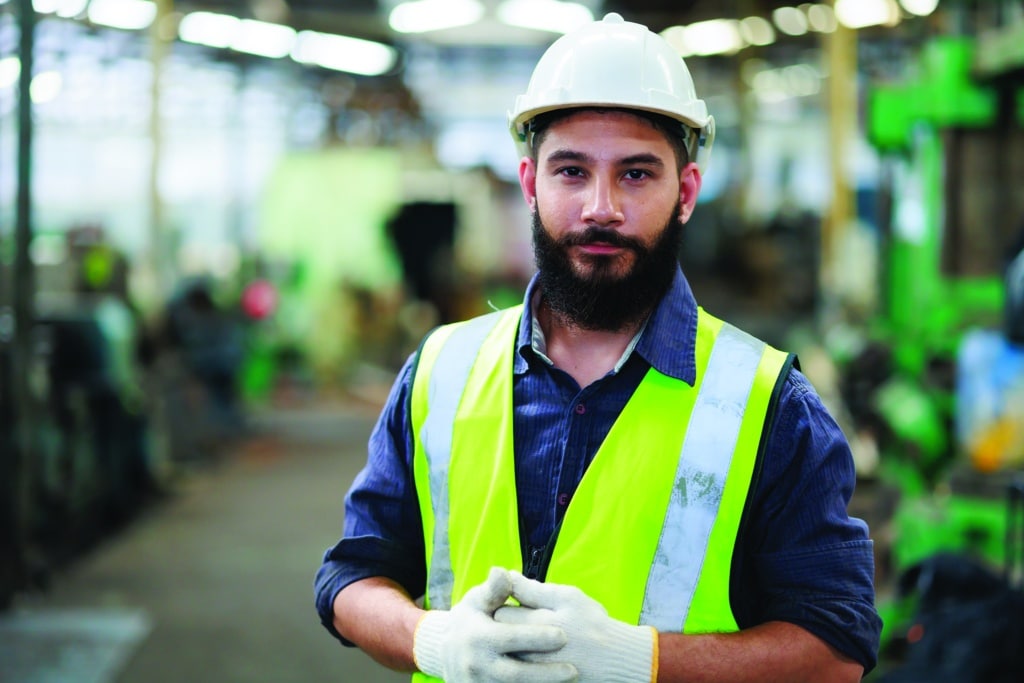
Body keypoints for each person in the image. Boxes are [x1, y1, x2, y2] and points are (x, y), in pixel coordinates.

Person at [314, 12, 881, 683]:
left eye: (637, 174)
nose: (601, 206)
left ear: (686, 193)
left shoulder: (768, 405)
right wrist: (432, 639)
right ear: (530, 184)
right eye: (572, 171)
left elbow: (836, 651)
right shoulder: (441, 371)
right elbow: (351, 578)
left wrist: (642, 660)